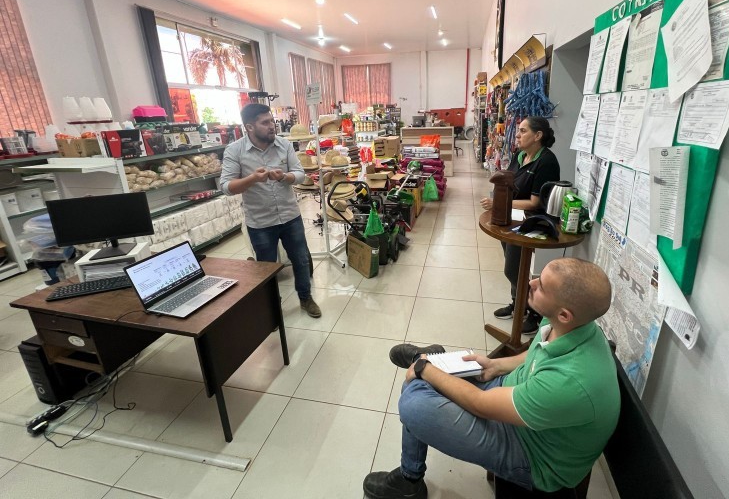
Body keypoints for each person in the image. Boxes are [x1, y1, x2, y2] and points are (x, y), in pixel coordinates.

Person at [363, 258, 620, 499]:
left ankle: (409, 478)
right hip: (518, 399)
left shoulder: (570, 382)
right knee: (420, 385)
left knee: (413, 401)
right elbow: (539, 351)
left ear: (565, 314)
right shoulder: (576, 327)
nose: (531, 283)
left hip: (532, 455)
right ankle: (410, 477)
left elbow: (480, 404)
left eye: (540, 286)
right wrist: (496, 366)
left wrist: (424, 368)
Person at [220, 103, 321, 318]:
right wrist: (252, 179)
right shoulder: (235, 151)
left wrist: (285, 177)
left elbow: (300, 173)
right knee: (265, 268)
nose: (272, 126)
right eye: (265, 123)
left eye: (272, 121)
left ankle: (305, 298)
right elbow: (226, 187)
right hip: (260, 222)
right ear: (249, 127)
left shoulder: (283, 145)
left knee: (301, 260)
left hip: (289, 215)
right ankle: (272, 308)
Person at [480, 115, 560, 335]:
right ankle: (518, 304)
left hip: (531, 222)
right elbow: (512, 184)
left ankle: (534, 313)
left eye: (523, 131)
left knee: (513, 269)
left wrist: (499, 203)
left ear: (538, 135)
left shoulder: (547, 162)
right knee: (514, 266)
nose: (517, 135)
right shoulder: (520, 155)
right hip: (511, 217)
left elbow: (535, 202)